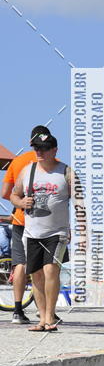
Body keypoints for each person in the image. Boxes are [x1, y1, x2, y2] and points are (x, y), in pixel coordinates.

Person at [10, 131, 73, 332]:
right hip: (32, 232)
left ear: (54, 150)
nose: (40, 152)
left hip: (57, 232)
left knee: (50, 270)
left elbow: (80, 202)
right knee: (36, 274)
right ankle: (42, 319)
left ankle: (49, 317)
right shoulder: (27, 171)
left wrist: (80, 228)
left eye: (44, 149)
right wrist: (21, 202)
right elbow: (13, 195)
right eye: (36, 148)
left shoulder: (66, 171)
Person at [1, 126, 48, 324]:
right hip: (46, 221)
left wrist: (19, 201)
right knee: (46, 266)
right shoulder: (51, 163)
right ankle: (44, 311)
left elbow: (5, 194)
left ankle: (17, 311)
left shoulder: (18, 162)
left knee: (20, 264)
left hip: (21, 220)